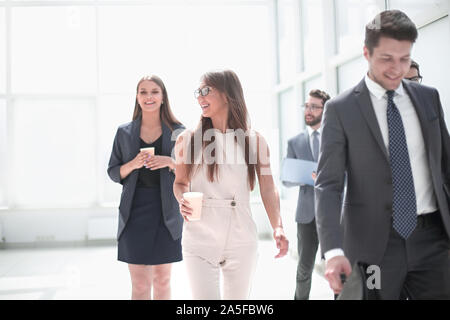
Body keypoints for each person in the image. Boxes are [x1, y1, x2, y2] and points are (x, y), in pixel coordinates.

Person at [315, 10, 450, 299]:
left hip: (432, 240)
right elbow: (328, 185)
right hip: (373, 246)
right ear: (367, 52)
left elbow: (445, 168)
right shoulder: (341, 110)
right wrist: (333, 250)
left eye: (404, 59)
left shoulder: (429, 98)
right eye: (386, 58)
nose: (396, 69)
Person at [173, 69, 289, 300]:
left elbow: (267, 187)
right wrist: (183, 199)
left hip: (241, 236)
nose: (199, 97)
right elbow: (180, 182)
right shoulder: (187, 139)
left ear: (227, 94)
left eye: (206, 91)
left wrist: (278, 226)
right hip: (199, 235)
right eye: (197, 92)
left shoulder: (255, 141)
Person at [107, 75, 185, 300]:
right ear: (137, 97)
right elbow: (114, 172)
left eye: (154, 92)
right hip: (133, 213)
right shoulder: (124, 132)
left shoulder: (179, 132)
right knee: (140, 285)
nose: (148, 96)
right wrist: (133, 164)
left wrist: (169, 162)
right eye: (143, 92)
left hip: (166, 213)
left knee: (163, 281)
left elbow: (191, 171)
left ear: (163, 97)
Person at [282, 89, 330, 300]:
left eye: (314, 106)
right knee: (304, 270)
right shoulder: (295, 142)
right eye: (307, 106)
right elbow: (286, 178)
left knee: (341, 269)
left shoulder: (336, 139)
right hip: (306, 215)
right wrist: (306, 176)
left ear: (324, 110)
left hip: (333, 214)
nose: (308, 110)